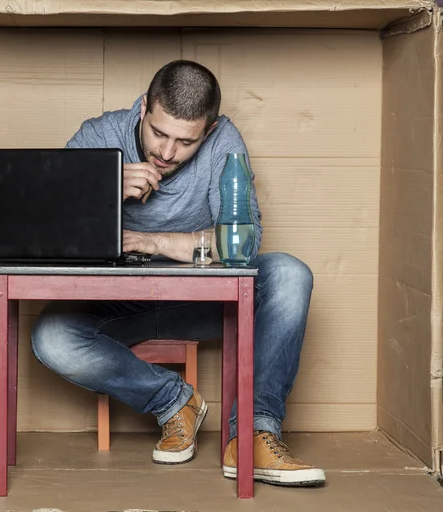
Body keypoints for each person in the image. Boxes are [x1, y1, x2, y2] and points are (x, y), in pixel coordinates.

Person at [31, 60, 326, 487]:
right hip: (115, 303)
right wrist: (103, 185)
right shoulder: (100, 135)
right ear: (145, 107)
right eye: (159, 133)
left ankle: (252, 435)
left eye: (185, 142)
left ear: (207, 131)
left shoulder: (224, 140)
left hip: (199, 299)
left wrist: (152, 242)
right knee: (51, 338)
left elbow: (242, 242)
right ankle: (174, 402)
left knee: (289, 274)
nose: (167, 153)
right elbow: (41, 225)